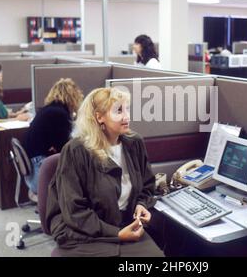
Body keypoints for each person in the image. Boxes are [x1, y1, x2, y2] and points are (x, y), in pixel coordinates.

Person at [45, 87, 163, 257]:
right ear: (99, 117)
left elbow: (147, 185)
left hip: (127, 223)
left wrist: (141, 204)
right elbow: (74, 211)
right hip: (84, 232)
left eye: (127, 109)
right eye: (118, 111)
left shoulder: (134, 143)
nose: (126, 117)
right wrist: (116, 234)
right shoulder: (76, 151)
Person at [22, 78, 83, 201]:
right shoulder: (59, 114)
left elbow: (56, 143)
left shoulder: (49, 110)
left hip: (33, 171)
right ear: (72, 96)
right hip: (39, 174)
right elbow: (66, 148)